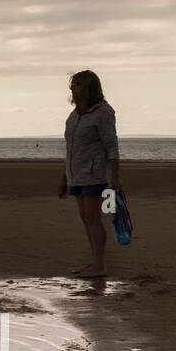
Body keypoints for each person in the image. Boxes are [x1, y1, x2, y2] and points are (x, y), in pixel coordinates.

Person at [58, 70, 121, 278]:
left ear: (88, 87)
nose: (72, 89)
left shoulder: (103, 112)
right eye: (72, 86)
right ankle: (94, 262)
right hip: (76, 174)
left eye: (76, 85)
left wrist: (115, 179)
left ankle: (99, 265)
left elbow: (111, 146)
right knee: (84, 216)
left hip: (95, 174)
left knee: (93, 216)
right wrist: (64, 177)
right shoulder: (75, 114)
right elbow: (70, 149)